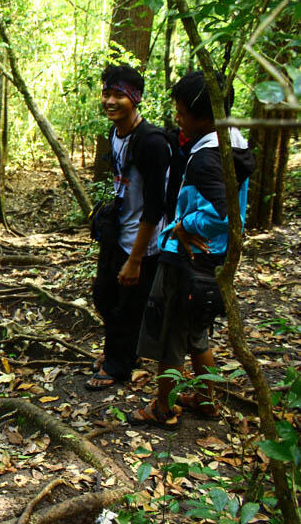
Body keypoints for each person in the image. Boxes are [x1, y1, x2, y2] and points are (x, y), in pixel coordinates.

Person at [128, 70, 255, 429]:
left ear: (204, 117)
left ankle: (163, 407)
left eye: (182, 112)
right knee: (197, 331)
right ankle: (206, 397)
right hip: (212, 258)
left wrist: (184, 225)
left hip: (188, 258)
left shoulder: (206, 158)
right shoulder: (232, 143)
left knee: (172, 333)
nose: (178, 119)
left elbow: (222, 213)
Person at [87, 65, 171, 390]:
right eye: (107, 93)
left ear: (135, 99)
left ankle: (117, 365)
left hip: (142, 240)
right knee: (104, 295)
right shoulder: (116, 134)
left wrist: (136, 258)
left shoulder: (150, 142)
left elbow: (155, 205)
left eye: (118, 95)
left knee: (127, 304)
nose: (110, 101)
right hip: (118, 231)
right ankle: (120, 353)